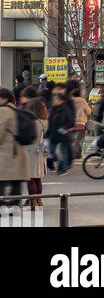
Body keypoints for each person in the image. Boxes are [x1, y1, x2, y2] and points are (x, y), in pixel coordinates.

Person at [18, 86, 47, 214]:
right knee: (38, 178)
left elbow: (28, 137)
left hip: (30, 151)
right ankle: (39, 200)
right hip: (40, 151)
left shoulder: (32, 122)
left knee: (31, 178)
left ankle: (33, 202)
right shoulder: (44, 120)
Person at [0, 86, 30, 207]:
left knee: (1, 184)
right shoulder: (17, 111)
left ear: (3, 99)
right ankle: (15, 209)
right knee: (16, 185)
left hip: (7, 155)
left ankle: (2, 208)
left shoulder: (3, 111)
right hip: (20, 154)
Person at [46, 85, 75, 175]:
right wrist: (48, 132)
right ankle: (61, 164)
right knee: (51, 151)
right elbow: (50, 122)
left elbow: (70, 121)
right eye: (54, 99)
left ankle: (63, 167)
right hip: (53, 134)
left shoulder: (66, 109)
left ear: (61, 100)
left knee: (64, 152)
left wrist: (65, 129)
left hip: (63, 135)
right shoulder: (53, 109)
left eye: (56, 99)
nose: (54, 101)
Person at [68, 84, 92, 159]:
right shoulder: (82, 101)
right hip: (80, 123)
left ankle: (72, 154)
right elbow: (88, 112)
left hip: (70, 124)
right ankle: (77, 155)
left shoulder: (69, 102)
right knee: (79, 141)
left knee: (72, 140)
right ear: (80, 94)